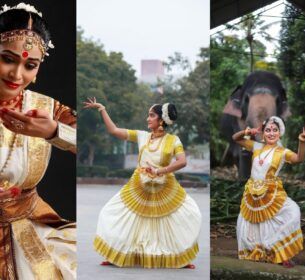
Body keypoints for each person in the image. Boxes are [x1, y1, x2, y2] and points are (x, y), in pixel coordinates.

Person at [0, 3, 77, 279]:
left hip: (27, 225)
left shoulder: (47, 109)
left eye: (29, 65)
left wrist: (54, 131)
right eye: (8, 59)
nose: (17, 75)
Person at [83, 98, 201, 268]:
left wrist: (160, 171)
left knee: (174, 220)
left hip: (165, 188)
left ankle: (179, 257)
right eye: (148, 115)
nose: (148, 119)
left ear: (161, 120)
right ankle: (116, 253)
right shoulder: (142, 136)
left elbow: (182, 161)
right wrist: (102, 109)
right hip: (139, 186)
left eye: (151, 115)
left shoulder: (173, 140)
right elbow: (114, 131)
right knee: (119, 215)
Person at [232, 116, 305, 267]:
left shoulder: (282, 152)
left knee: (292, 212)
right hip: (252, 191)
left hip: (271, 192)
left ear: (280, 133)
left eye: (275, 130)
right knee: (250, 222)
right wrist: (247, 131)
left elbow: (299, 158)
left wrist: (302, 141)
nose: (271, 133)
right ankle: (257, 252)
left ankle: (279, 251)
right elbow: (235, 138)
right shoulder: (256, 146)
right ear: (263, 133)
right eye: (268, 130)